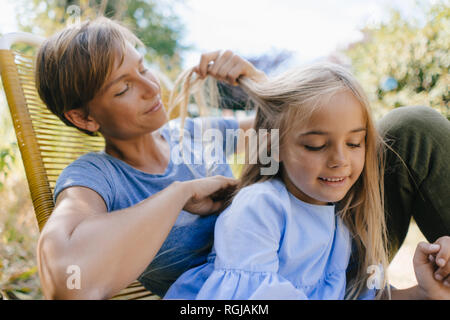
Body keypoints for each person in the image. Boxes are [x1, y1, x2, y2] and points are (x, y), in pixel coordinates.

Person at [34, 16, 449, 300]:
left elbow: (306, 136)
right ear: (83, 117)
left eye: (143, 68)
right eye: (123, 88)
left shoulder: (195, 135)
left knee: (412, 128)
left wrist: (257, 83)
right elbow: (67, 279)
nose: (150, 87)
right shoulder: (95, 176)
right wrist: (179, 194)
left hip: (324, 259)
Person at [163, 63, 450, 300]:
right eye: (315, 145)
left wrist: (423, 292)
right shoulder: (260, 207)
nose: (340, 159)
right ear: (273, 147)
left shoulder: (341, 215)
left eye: (354, 143)